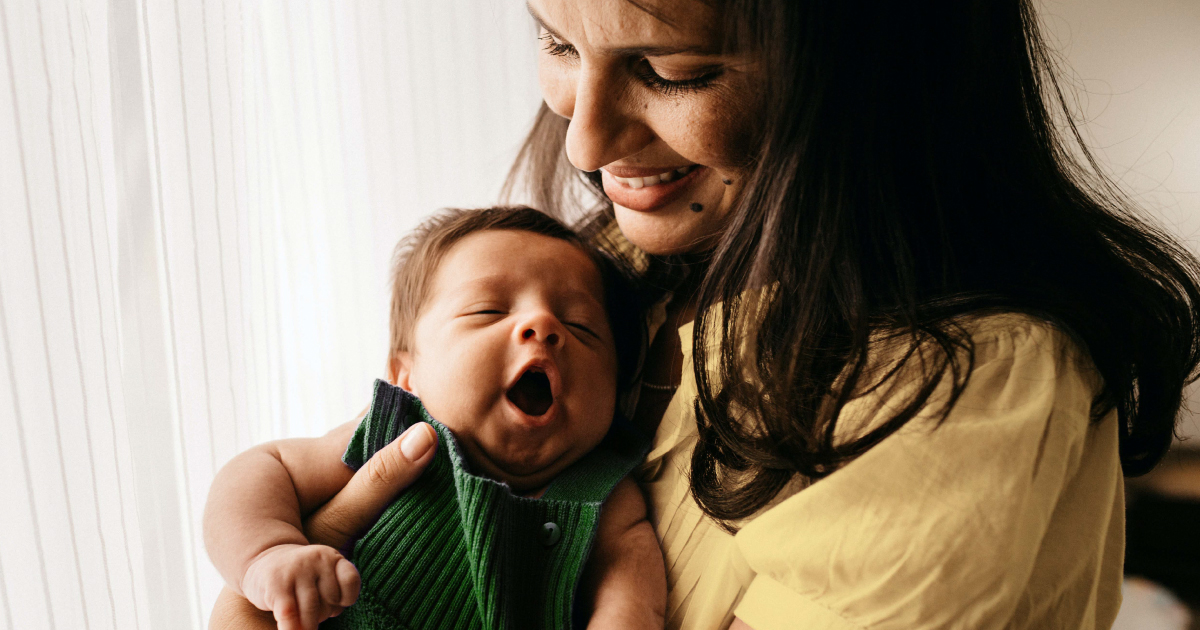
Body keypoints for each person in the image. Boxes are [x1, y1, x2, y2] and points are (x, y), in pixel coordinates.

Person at [212, 0, 1200, 628]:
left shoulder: (963, 392)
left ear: (870, 84)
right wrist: (266, 567)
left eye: (673, 70)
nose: (587, 138)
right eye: (556, 39)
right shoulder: (615, 267)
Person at [204, 208, 666, 629]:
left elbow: (632, 600)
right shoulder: (394, 436)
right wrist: (270, 553)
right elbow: (264, 469)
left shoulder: (606, 495)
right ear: (406, 375)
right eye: (488, 310)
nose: (543, 325)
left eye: (581, 325)